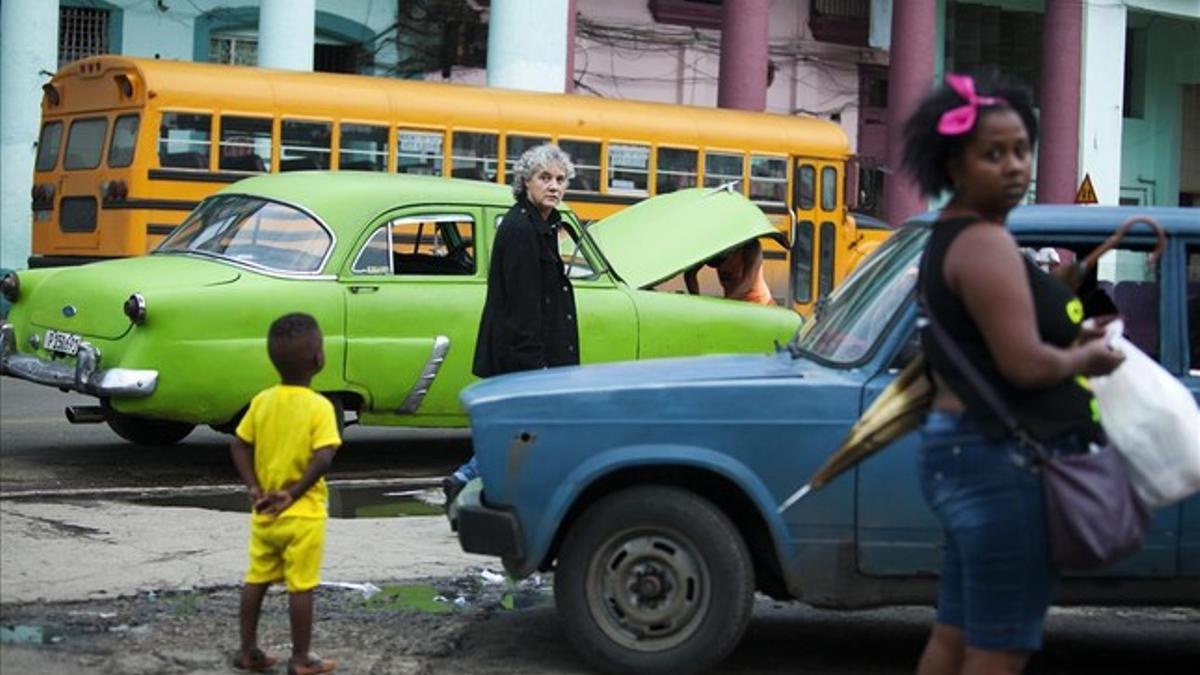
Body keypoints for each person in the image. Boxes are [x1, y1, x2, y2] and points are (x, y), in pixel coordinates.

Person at [902, 73, 1125, 675]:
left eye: (1022, 150)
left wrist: (1062, 327)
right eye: (992, 153)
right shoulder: (987, 244)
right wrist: (1089, 357)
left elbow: (987, 344)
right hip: (1000, 462)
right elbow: (1024, 365)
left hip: (960, 451)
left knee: (954, 634)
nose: (1014, 166)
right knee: (999, 647)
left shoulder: (951, 235)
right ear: (953, 163)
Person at [442, 144, 580, 506]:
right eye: (544, 178)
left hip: (534, 352)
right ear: (526, 182)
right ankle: (473, 480)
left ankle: (472, 479)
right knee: (526, 426)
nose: (554, 186)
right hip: (527, 354)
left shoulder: (542, 224)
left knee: (524, 426)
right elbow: (523, 304)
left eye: (560, 179)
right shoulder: (522, 229)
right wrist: (534, 364)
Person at [230, 313, 341, 675]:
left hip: (265, 512)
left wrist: (254, 488)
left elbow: (240, 445)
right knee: (301, 587)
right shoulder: (319, 407)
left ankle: (248, 651)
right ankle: (301, 658)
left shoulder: (262, 401)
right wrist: (293, 493)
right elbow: (324, 457)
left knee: (256, 579)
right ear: (318, 359)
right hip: (303, 515)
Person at [683, 238, 774, 305]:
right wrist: (696, 300)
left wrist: (724, 305)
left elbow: (747, 282)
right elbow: (690, 273)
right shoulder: (719, 243)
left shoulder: (751, 246)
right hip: (733, 304)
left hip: (759, 303)